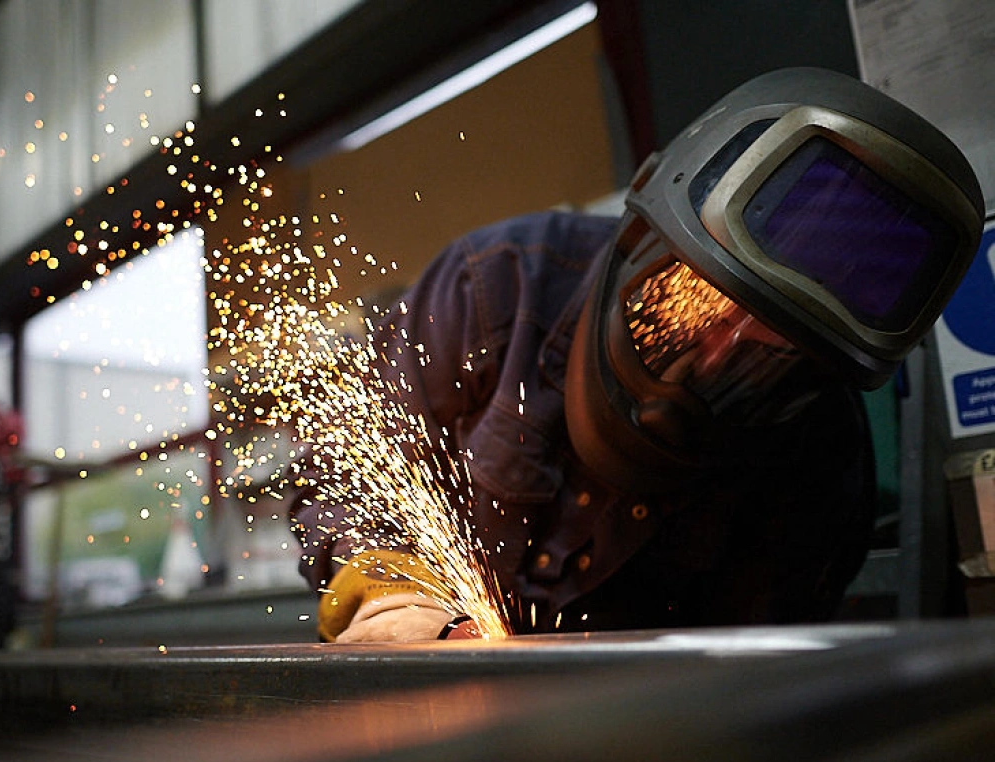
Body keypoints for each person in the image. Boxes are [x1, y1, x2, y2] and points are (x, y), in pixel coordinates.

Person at [290, 67, 985, 642]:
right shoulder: (498, 284)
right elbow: (342, 464)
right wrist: (384, 589)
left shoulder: (818, 468)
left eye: (761, 363)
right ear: (643, 242)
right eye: (697, 311)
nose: (706, 365)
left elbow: (746, 688)